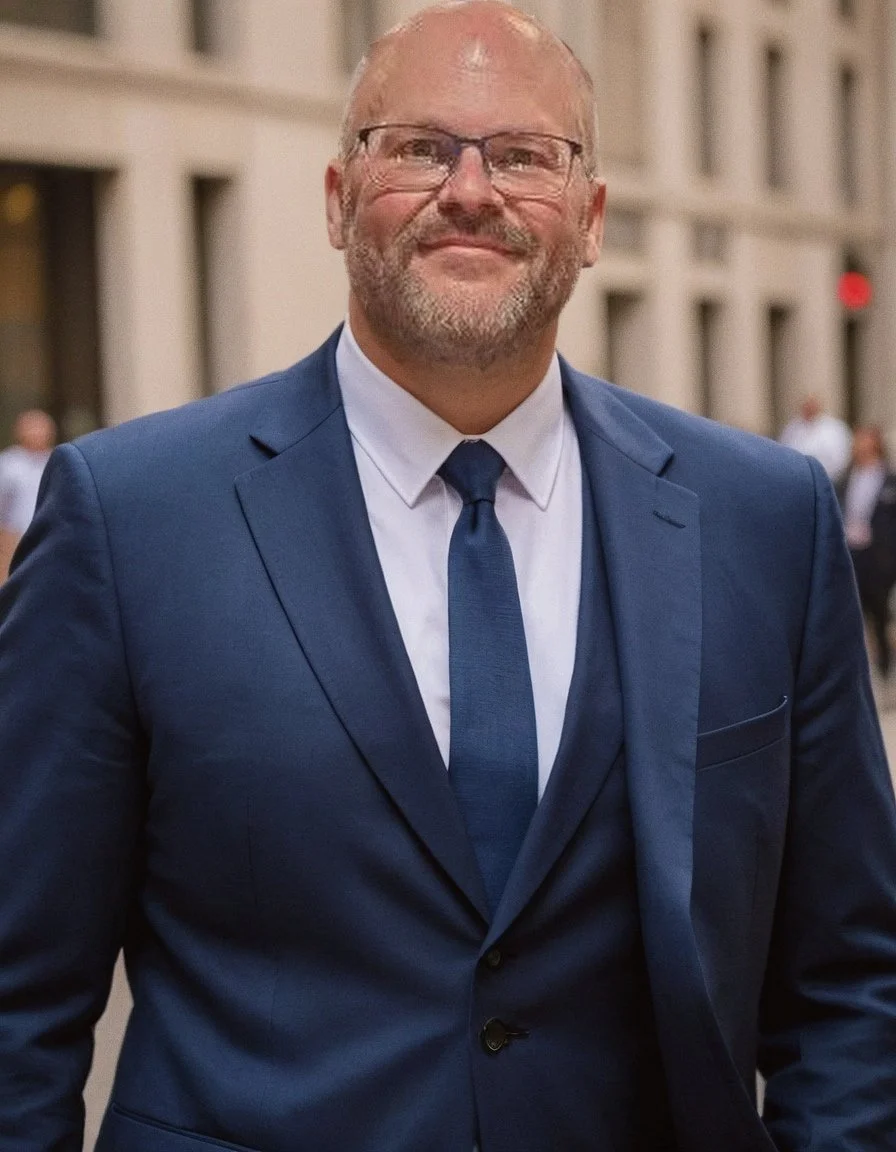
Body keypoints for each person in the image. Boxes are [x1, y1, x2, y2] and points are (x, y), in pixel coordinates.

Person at [1, 4, 895, 1150]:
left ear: (589, 220)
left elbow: (851, 980)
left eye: (524, 156)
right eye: (419, 146)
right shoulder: (129, 519)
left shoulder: (762, 521)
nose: (470, 189)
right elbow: (19, 1000)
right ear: (335, 199)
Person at [838, 424, 896, 683]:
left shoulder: (889, 480)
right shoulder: (846, 478)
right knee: (850, 616)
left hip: (880, 559)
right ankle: (859, 673)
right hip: (851, 555)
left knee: (880, 615)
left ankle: (886, 668)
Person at [0, 407, 56, 580]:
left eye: (42, 428)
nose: (37, 433)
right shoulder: (9, 463)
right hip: (15, 538)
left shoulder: (57, 459)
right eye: (32, 428)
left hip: (51, 535)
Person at [778, 393, 852, 483]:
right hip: (798, 480)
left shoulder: (834, 428)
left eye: (811, 406)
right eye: (806, 406)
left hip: (829, 480)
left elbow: (841, 459)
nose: (809, 409)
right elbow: (784, 452)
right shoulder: (792, 428)